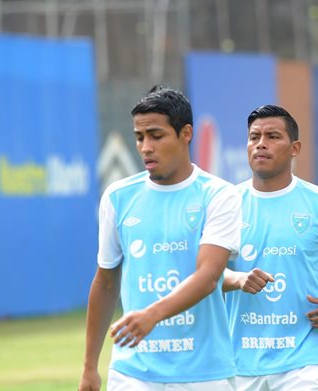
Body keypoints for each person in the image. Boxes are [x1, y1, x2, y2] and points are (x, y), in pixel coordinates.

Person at [78, 85, 241, 391]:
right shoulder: (117, 197)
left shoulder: (219, 195)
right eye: (139, 137)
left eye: (156, 135)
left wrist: (151, 315)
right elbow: (106, 281)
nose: (145, 147)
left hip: (205, 374)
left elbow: (208, 277)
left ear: (186, 134)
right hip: (132, 373)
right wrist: (89, 367)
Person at [222, 104, 318, 390]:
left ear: (295, 148)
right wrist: (238, 279)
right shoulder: (225, 204)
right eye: (254, 137)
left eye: (272, 136)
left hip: (305, 359)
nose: (261, 144)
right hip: (239, 361)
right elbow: (204, 275)